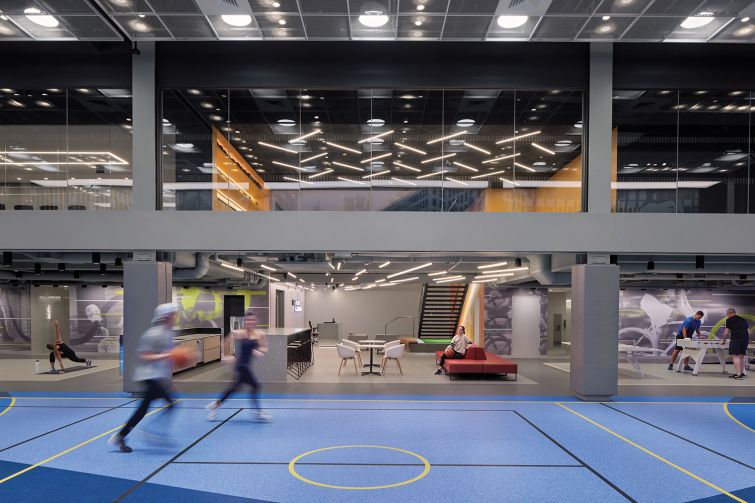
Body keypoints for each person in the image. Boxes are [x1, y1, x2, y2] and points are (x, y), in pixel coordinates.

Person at [108, 303, 179, 453]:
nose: (175, 318)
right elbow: (144, 355)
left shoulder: (168, 333)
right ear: (165, 317)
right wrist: (166, 355)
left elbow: (166, 361)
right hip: (148, 376)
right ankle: (152, 432)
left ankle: (120, 436)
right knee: (171, 403)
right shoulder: (153, 334)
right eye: (173, 315)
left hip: (157, 377)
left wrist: (167, 380)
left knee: (143, 409)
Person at [205, 310, 271, 422]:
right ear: (245, 322)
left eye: (252, 320)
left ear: (255, 321)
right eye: (248, 320)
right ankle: (258, 411)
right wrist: (228, 355)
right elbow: (225, 341)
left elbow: (264, 347)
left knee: (234, 389)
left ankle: (215, 405)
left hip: (246, 365)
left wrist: (260, 351)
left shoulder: (260, 334)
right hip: (240, 366)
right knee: (255, 385)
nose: (250, 322)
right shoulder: (239, 333)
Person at [721, 308, 749, 380]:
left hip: (736, 339)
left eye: (727, 314)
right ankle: (741, 373)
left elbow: (726, 332)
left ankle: (738, 374)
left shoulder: (729, 320)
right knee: (741, 356)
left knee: (735, 356)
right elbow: (747, 330)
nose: (727, 315)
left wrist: (723, 340)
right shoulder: (743, 319)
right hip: (745, 339)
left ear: (729, 313)